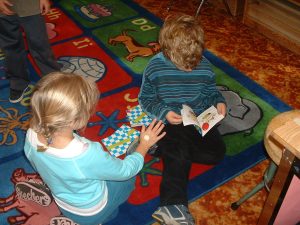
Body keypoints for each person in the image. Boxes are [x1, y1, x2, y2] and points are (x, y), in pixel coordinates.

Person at [24, 72, 166, 225]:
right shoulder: (86, 154)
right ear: (76, 121)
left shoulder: (31, 134)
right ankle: (106, 216)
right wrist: (144, 145)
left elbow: (40, 155)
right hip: (91, 212)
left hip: (65, 204)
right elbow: (125, 171)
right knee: (129, 178)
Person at [138, 14, 227, 225]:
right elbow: (146, 99)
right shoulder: (155, 67)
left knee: (216, 153)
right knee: (178, 149)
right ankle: (172, 205)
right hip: (171, 120)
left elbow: (210, 91)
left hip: (196, 118)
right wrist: (164, 112)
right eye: (184, 65)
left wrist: (219, 100)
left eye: (193, 63)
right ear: (166, 51)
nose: (189, 68)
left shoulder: (203, 66)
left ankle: (156, 146)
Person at [0, 0, 61, 103]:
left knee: (40, 45)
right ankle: (18, 81)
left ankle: (53, 80)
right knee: (10, 47)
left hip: (31, 6)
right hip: (4, 8)